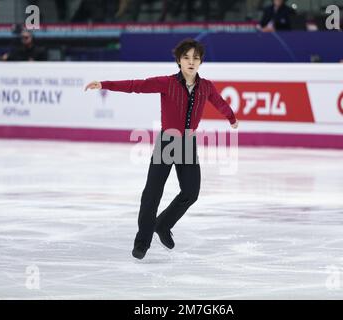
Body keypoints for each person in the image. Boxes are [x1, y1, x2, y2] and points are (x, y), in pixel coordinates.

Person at [85, 38, 239, 259]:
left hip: (187, 143)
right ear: (178, 60)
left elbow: (220, 103)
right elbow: (135, 85)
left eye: (196, 57)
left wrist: (231, 118)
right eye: (186, 57)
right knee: (152, 193)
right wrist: (105, 84)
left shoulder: (206, 86)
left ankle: (163, 224)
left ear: (201, 61)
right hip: (168, 141)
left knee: (191, 192)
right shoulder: (166, 83)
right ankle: (142, 242)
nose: (191, 61)